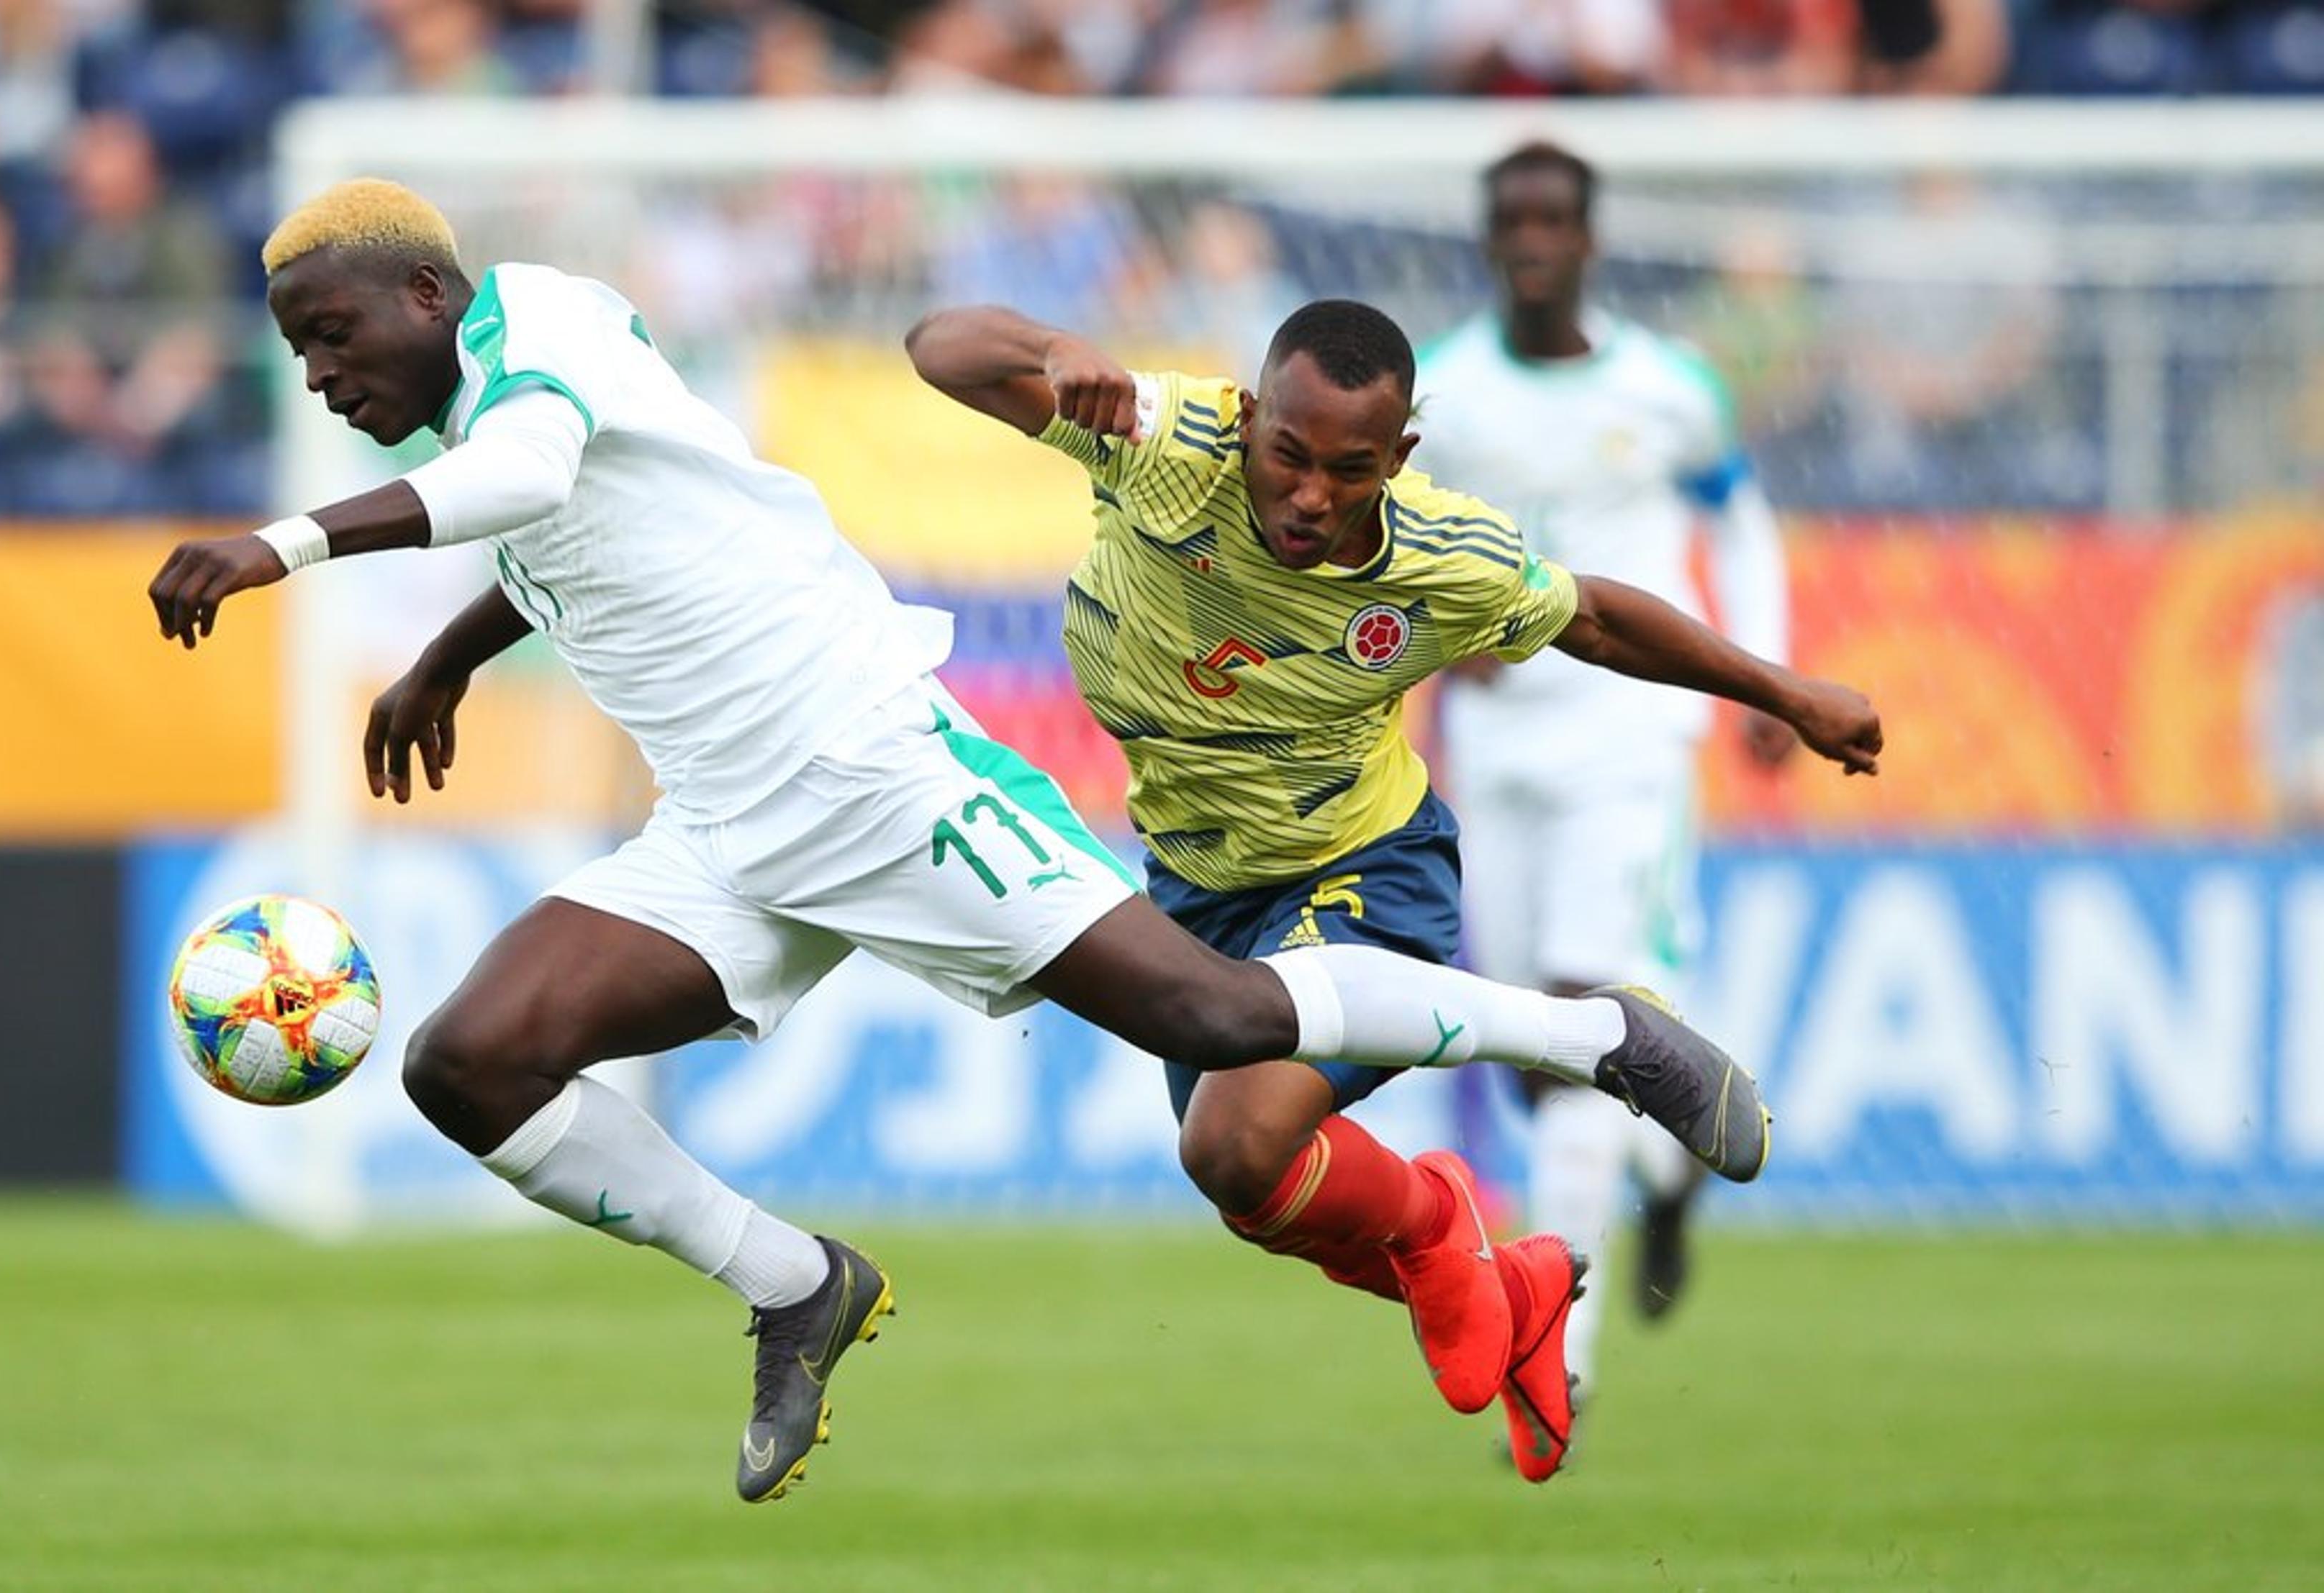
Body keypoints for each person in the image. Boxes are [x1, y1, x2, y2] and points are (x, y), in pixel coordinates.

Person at [145, 178, 1784, 1504]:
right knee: (468, 1064)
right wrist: (445, 656)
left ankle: (1602, 1038)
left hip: (876, 766)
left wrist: (279, 547)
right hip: (728, 825)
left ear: (426, 297)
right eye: (297, 354)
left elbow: (531, 472)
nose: (320, 373)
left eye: (333, 334)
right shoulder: (518, 379)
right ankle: (797, 1286)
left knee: (1213, 1023)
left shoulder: (536, 350)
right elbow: (594, 517)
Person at [903, 288, 1878, 1476]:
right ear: (1250, 416)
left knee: (1230, 1142)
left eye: (1350, 469)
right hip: (1202, 887)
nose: (1310, 495)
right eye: (1288, 456)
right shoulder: (1168, 444)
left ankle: (1591, 1041)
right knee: (1251, 1187)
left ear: (1401, 455)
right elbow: (937, 348)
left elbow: (1604, 622)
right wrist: (1061, 348)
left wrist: (1787, 690)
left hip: (1365, 869)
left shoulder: (1442, 556)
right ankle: (1490, 1274)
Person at [1416, 142, 1797, 1422]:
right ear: (1489, 240)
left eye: (1552, 220)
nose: (1532, 241)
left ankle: (1554, 1364)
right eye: (1510, 220)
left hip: (1634, 741)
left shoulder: (1671, 388)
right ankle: (1673, 1176)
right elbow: (1405, 543)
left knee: (1591, 1007)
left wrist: (1763, 674)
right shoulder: (1450, 391)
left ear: (1589, 239)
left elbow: (1737, 518)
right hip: (1504, 748)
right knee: (1543, 1054)